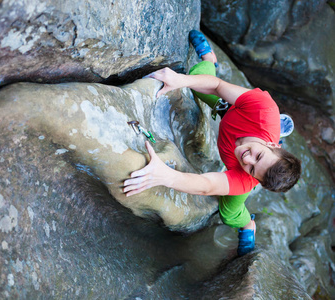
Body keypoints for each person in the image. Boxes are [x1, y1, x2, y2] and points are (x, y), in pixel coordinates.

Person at [123, 30, 302, 256]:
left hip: (236, 121)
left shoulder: (245, 180)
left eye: (252, 168)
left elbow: (206, 185)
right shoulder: (263, 109)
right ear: (272, 145)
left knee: (228, 214)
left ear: (254, 178)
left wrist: (164, 175)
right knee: (195, 80)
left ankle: (249, 226)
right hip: (240, 117)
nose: (245, 158)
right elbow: (217, 86)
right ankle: (210, 59)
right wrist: (179, 80)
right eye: (258, 155)